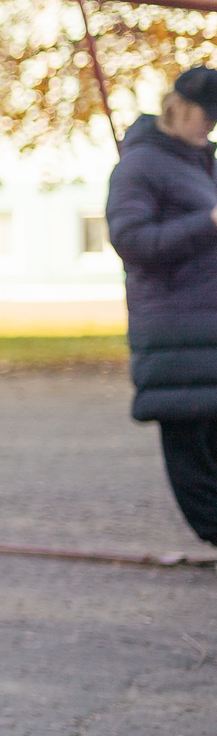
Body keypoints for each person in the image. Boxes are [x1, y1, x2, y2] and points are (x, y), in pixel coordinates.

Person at [107, 66, 217, 548]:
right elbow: (133, 242)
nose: (210, 128)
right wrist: (210, 221)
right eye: (206, 117)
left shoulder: (203, 162)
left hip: (209, 320)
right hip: (176, 325)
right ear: (181, 108)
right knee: (191, 439)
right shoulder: (139, 165)